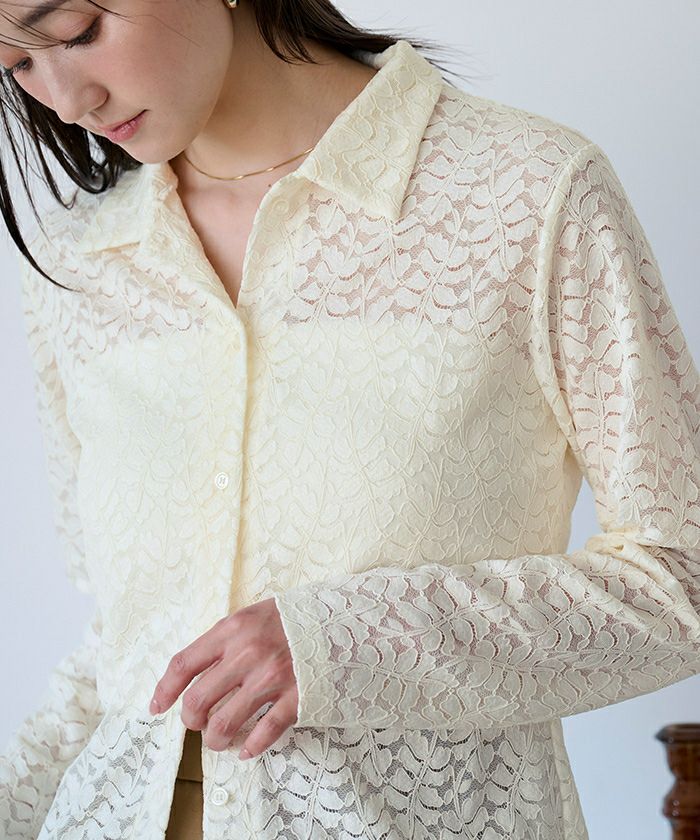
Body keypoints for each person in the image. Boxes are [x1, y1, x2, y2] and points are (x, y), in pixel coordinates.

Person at [1, 0, 699, 838]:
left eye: (77, 31)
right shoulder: (76, 262)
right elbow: (123, 645)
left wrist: (346, 644)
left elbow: (681, 577)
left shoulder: (527, 192)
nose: (67, 99)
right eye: (18, 66)